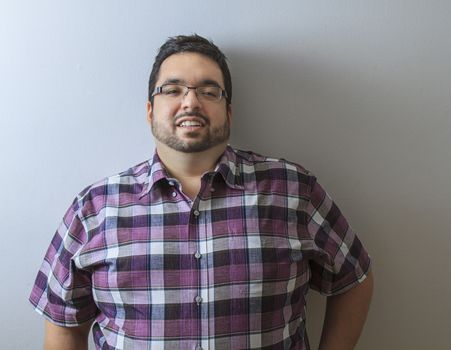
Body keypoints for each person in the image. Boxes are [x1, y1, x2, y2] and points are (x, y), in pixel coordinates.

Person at [29, 34, 374, 350]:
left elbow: (354, 277)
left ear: (229, 111)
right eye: (173, 89)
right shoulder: (94, 209)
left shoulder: (292, 191)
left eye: (209, 91)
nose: (191, 102)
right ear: (150, 111)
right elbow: (63, 322)